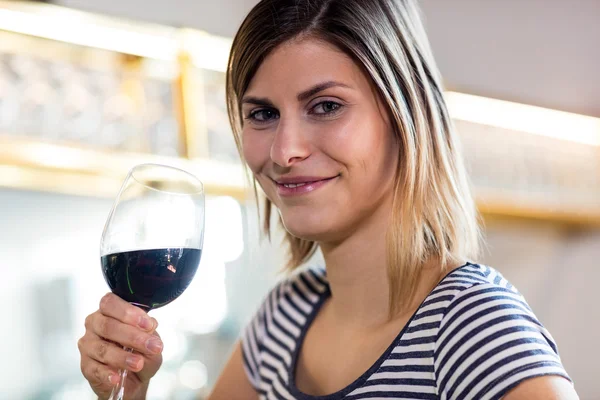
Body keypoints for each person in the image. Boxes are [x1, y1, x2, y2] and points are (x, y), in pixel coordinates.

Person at [78, 0, 579, 398]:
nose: (284, 151)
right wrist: (129, 392)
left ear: (406, 118)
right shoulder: (282, 320)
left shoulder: (471, 324)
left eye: (326, 106)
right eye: (262, 114)